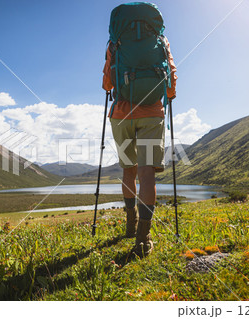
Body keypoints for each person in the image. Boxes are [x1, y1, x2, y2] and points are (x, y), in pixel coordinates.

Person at [102, 3, 177, 257]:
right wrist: (170, 95)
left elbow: (107, 81)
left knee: (128, 171)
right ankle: (144, 237)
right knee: (147, 174)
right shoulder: (162, 41)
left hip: (122, 114)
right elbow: (171, 74)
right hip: (152, 113)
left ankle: (130, 223)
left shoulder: (114, 43)